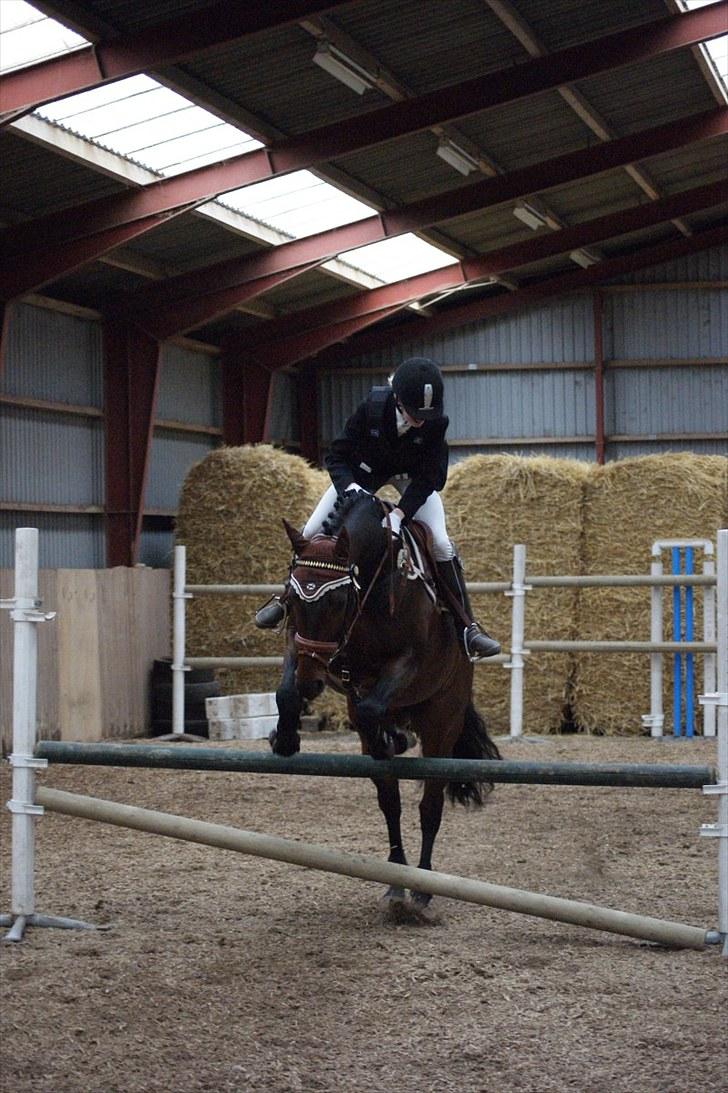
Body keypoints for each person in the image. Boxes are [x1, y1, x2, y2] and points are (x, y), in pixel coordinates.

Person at [255, 357, 500, 659]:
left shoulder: (436, 422)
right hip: (364, 475)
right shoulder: (372, 408)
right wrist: (351, 489)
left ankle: (468, 628)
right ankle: (284, 600)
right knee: (310, 531)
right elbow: (336, 456)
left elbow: (431, 477)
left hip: (411, 482)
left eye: (426, 414)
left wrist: (400, 514)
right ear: (397, 399)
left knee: (440, 542)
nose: (420, 420)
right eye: (414, 413)